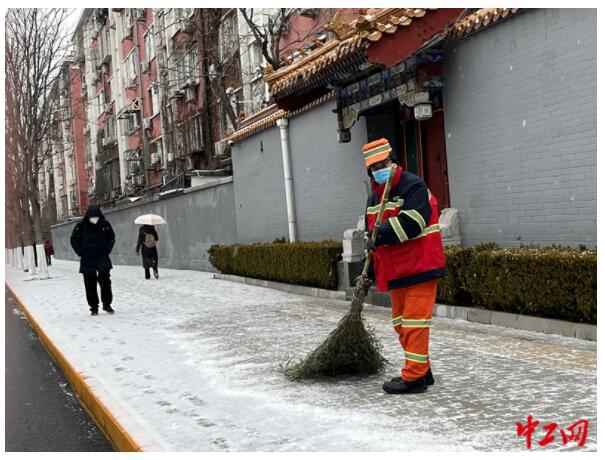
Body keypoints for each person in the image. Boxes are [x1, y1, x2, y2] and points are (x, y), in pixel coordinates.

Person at [362, 138, 446, 394]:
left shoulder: (413, 186)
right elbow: (372, 236)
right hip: (397, 271)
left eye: (383, 163)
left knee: (414, 324)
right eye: (374, 167)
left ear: (393, 161)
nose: (380, 170)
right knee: (401, 324)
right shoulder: (374, 197)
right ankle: (423, 369)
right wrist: (370, 267)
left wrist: (379, 234)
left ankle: (414, 378)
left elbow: (413, 222)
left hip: (420, 266)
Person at [70, 205, 116, 316]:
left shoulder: (105, 224)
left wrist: (107, 250)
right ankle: (93, 307)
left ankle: (107, 304)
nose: (94, 219)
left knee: (105, 282)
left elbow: (112, 238)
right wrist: (81, 252)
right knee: (90, 284)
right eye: (92, 217)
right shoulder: (81, 225)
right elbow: (73, 239)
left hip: (102, 258)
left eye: (96, 216)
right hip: (88, 259)